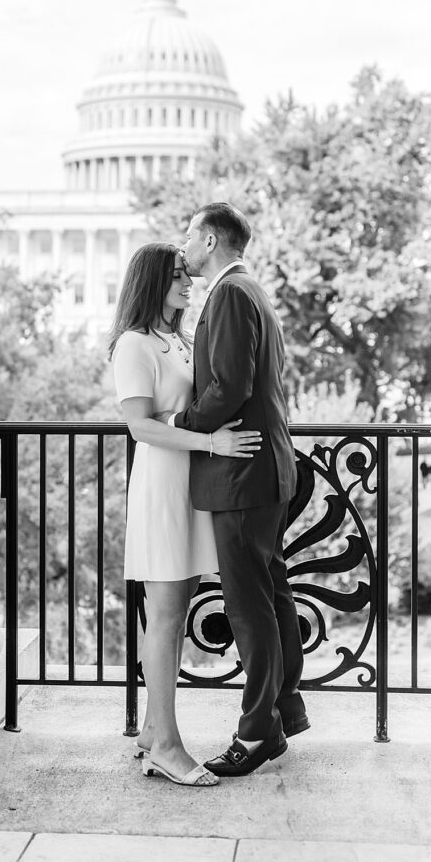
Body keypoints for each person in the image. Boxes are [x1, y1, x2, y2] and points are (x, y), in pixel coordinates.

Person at [108, 242, 262, 789]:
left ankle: (153, 730)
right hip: (162, 487)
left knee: (174, 613)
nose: (188, 282)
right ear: (152, 282)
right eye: (176, 276)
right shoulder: (133, 344)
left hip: (191, 486)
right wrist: (212, 443)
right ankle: (167, 748)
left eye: (186, 274)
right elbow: (140, 426)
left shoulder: (178, 338)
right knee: (167, 615)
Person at [170, 201, 308, 777]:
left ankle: (256, 735)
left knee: (249, 607)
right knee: (271, 595)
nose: (184, 247)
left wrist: (180, 425)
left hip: (242, 474)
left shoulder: (228, 293)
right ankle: (285, 709)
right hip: (265, 470)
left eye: (189, 236)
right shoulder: (251, 289)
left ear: (209, 240)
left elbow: (229, 387)